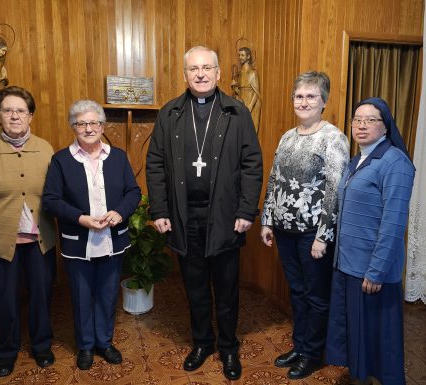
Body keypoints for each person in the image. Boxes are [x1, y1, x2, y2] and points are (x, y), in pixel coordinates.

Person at [146, 46, 263, 381]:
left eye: (207, 68)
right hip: (184, 218)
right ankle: (202, 343)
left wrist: (245, 210)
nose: (200, 74)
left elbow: (252, 165)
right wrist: (159, 209)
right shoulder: (169, 114)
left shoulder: (237, 112)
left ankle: (228, 347)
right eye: (193, 68)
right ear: (184, 74)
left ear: (218, 73)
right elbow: (154, 166)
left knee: (226, 289)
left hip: (226, 217)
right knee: (195, 288)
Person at [261, 71, 349, 379]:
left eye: (311, 96)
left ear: (324, 101)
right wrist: (267, 219)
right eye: (299, 96)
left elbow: (335, 191)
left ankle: (313, 353)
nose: (304, 101)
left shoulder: (334, 138)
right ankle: (299, 345)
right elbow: (274, 179)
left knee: (315, 296)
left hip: (313, 234)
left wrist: (323, 236)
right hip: (285, 231)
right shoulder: (288, 136)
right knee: (296, 292)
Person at [42, 100, 140, 370]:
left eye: (93, 122)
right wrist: (80, 218)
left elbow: (134, 192)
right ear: (73, 127)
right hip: (78, 242)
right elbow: (51, 199)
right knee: (82, 297)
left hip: (113, 239)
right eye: (81, 123)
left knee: (108, 295)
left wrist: (119, 212)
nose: (88, 128)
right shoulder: (61, 160)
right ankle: (85, 346)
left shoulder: (117, 157)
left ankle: (104, 343)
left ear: (102, 126)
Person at [0, 86, 57, 377]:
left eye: (21, 111)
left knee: (42, 297)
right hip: (1, 244)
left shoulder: (45, 148)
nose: (14, 116)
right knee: (5, 300)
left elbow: (56, 195)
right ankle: (8, 351)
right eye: (8, 110)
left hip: (39, 241)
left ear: (30, 116)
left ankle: (42, 347)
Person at [325, 97, 415, 385]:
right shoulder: (357, 160)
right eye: (357, 119)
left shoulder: (395, 162)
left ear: (385, 127)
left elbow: (394, 223)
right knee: (358, 334)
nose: (362, 125)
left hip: (372, 271)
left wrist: (376, 270)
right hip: (349, 265)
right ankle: (359, 377)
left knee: (378, 340)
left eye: (371, 120)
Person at [231, 47, 261, 131]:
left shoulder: (252, 72)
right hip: (242, 102)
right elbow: (239, 92)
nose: (240, 57)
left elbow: (256, 92)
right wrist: (235, 86)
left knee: (249, 128)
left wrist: (250, 107)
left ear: (248, 57)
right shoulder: (240, 73)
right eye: (239, 55)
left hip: (250, 101)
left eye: (242, 55)